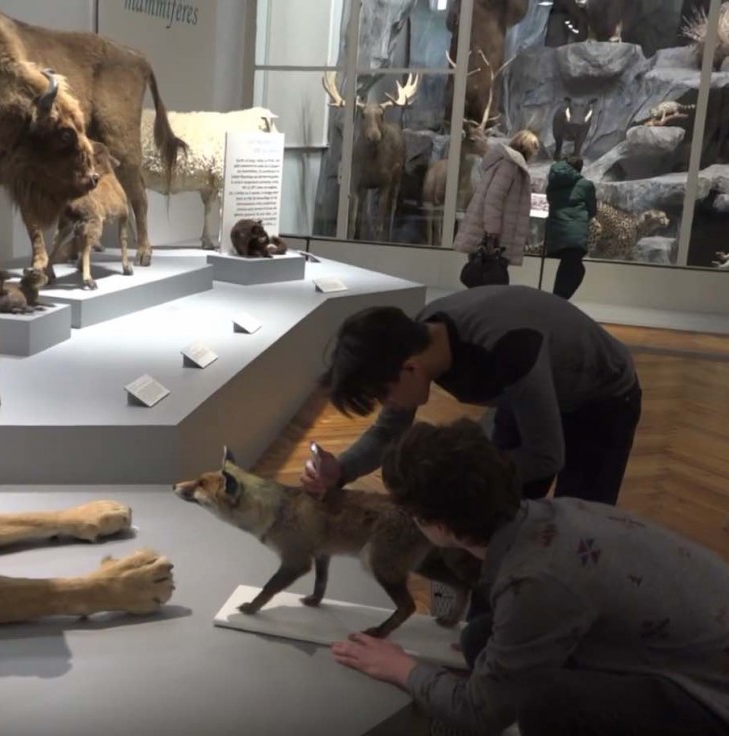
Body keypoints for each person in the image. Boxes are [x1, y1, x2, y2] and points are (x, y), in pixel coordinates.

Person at [330, 418, 729, 736]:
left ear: (437, 526)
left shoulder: (534, 583)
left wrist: (400, 666)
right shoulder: (558, 514)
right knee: (478, 637)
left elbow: (479, 714)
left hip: (711, 695)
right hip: (688, 643)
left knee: (545, 706)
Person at [302, 285, 641, 505]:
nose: (386, 406)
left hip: (603, 397)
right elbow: (389, 431)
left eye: (383, 396)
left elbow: (546, 456)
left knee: (578, 521)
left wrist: (457, 479)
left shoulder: (506, 350)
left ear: (410, 369)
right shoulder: (415, 339)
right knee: (496, 513)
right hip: (522, 388)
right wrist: (341, 471)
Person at [453, 130, 540, 277]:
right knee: (489, 277)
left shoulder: (510, 164)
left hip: (494, 234)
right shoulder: (510, 166)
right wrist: (492, 233)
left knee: (487, 277)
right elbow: (494, 199)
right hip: (493, 237)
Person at [544, 154, 596, 300]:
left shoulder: (553, 184)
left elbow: (550, 201)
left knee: (570, 266)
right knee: (574, 267)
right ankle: (557, 301)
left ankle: (557, 300)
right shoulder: (586, 185)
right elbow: (592, 210)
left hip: (555, 234)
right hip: (575, 235)